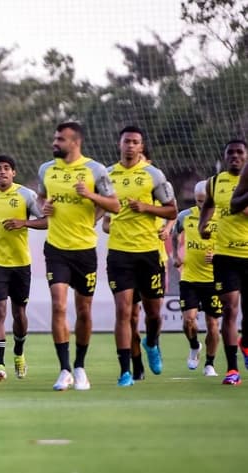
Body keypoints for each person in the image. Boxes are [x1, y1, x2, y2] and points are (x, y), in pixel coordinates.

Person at [38, 121, 120, 391]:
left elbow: (115, 206)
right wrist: (44, 206)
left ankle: (80, 366)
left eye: (60, 139)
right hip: (56, 249)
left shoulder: (94, 170)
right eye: (55, 138)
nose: (55, 143)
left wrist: (91, 195)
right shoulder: (46, 169)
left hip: (84, 250)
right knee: (59, 305)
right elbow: (40, 198)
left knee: (84, 310)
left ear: (75, 142)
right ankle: (64, 370)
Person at [105, 126, 177, 387]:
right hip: (119, 254)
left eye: (135, 142)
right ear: (119, 144)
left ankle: (152, 342)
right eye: (126, 141)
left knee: (152, 314)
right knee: (125, 313)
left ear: (141, 147)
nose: (130, 146)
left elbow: (172, 211)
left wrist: (145, 207)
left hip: (149, 253)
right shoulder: (108, 175)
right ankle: (126, 370)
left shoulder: (153, 175)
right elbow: (104, 217)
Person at [0, 156, 46, 382]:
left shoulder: (26, 195)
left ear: (14, 173)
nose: (2, 172)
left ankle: (19, 352)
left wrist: (24, 222)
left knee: (19, 313)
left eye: (7, 169)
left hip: (20, 264)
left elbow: (46, 221)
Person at [198, 139, 248, 386]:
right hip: (225, 255)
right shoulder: (215, 182)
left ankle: (245, 343)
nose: (235, 156)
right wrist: (202, 225)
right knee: (230, 308)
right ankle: (232, 369)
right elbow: (208, 204)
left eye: (240, 152)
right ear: (225, 156)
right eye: (231, 153)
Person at [172, 180, 221, 377]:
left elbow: (233, 242)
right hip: (189, 277)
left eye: (204, 201)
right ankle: (194, 346)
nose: (201, 206)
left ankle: (209, 364)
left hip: (213, 279)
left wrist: (217, 255)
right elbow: (174, 234)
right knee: (188, 321)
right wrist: (176, 255)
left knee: (212, 324)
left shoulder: (223, 218)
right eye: (198, 201)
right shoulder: (185, 216)